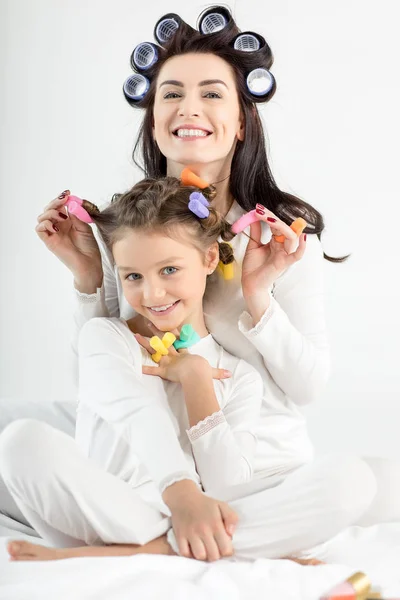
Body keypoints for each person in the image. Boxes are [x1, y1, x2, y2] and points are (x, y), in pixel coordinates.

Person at [1, 5, 400, 536]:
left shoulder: (279, 237)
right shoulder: (128, 222)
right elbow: (101, 377)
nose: (189, 108)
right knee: (14, 430)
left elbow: (306, 387)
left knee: (376, 483)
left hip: (243, 450)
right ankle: (178, 516)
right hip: (148, 437)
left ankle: (172, 530)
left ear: (241, 122)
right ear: (152, 117)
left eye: (211, 93)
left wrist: (258, 296)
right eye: (172, 93)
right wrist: (89, 280)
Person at [0, 176, 376, 563]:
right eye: (133, 276)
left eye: (169, 270)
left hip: (198, 517)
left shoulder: (239, 377)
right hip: (111, 512)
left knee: (353, 479)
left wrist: (197, 383)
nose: (152, 294)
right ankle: (203, 546)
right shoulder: (104, 337)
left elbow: (228, 485)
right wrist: (181, 495)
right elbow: (138, 414)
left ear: (209, 259)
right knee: (20, 441)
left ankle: (149, 551)